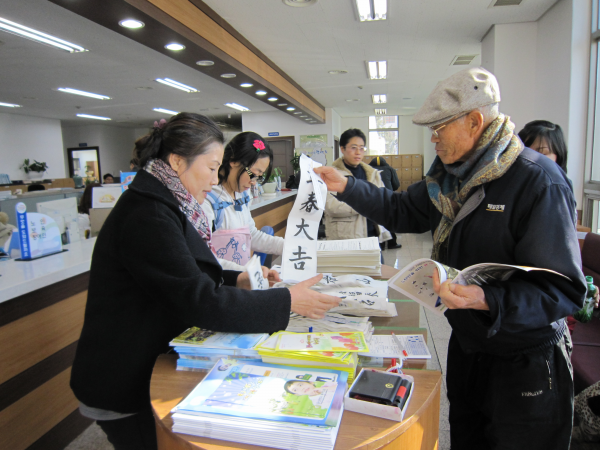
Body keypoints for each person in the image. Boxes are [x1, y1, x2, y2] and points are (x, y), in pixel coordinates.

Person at [315, 67, 587, 449]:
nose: (433, 138)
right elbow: (400, 210)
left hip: (524, 361)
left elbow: (563, 290)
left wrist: (488, 298)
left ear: (475, 121)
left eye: (439, 128)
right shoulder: (448, 178)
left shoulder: (537, 180)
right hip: (467, 346)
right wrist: (345, 185)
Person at [70, 113, 341, 450]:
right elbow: (197, 299)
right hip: (123, 375)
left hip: (144, 361)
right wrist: (287, 301)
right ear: (176, 160)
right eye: (211, 167)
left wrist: (238, 278)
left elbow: (187, 269)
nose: (214, 180)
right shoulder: (149, 214)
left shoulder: (167, 202)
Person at [201, 131, 284, 270]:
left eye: (259, 176)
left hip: (240, 281)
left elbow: (252, 235)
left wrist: (290, 247)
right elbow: (204, 256)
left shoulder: (241, 196)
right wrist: (247, 272)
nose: (253, 182)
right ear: (233, 161)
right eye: (253, 174)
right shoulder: (207, 201)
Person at [323, 129, 391, 246]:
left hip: (372, 236)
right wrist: (368, 203)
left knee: (378, 264)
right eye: (353, 147)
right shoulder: (332, 174)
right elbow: (332, 207)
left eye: (362, 148)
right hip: (345, 238)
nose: (358, 152)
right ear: (342, 149)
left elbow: (382, 200)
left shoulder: (373, 174)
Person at [368, 156, 401, 249]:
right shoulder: (390, 169)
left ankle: (380, 244)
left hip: (373, 198)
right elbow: (396, 185)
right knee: (390, 219)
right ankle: (392, 243)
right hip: (388, 197)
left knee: (376, 220)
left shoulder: (368, 169)